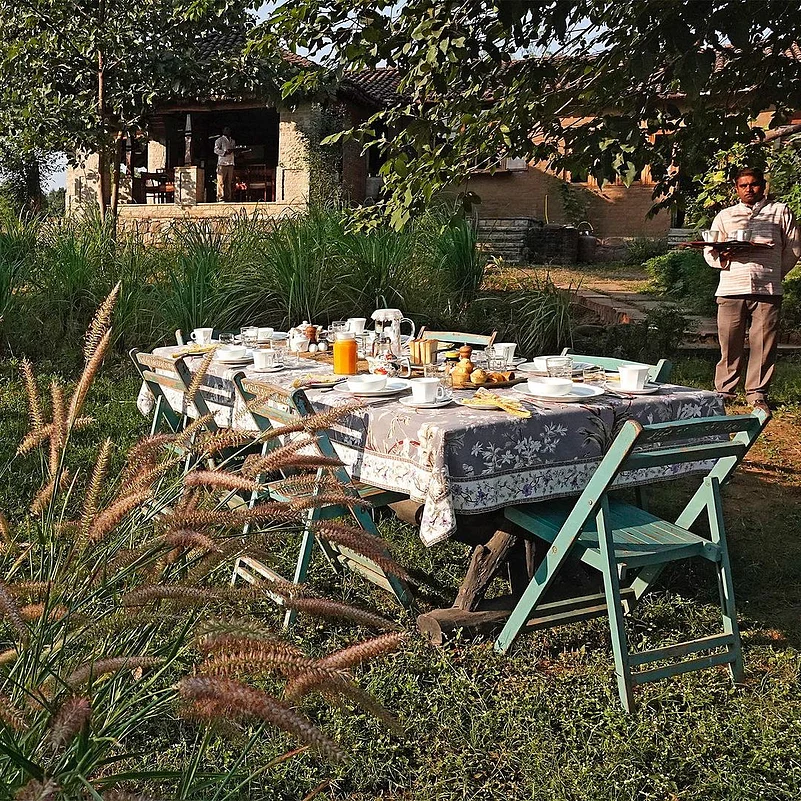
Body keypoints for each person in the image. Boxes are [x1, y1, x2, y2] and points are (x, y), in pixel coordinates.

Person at [703, 166, 801, 415]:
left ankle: (757, 394)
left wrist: (775, 273)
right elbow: (710, 250)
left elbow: (793, 248)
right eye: (743, 185)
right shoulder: (726, 215)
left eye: (754, 184)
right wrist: (723, 257)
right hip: (731, 287)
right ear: (736, 189)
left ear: (763, 185)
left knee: (764, 344)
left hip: (768, 289)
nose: (749, 189)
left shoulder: (780, 211)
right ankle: (724, 391)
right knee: (729, 342)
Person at [214, 126, 236, 201]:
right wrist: (224, 152)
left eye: (228, 130)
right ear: (223, 131)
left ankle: (228, 197)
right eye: (226, 129)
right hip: (222, 163)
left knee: (229, 182)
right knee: (221, 181)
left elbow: (234, 151)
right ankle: (220, 197)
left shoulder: (232, 141)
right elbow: (216, 150)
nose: (227, 131)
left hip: (230, 163)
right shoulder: (219, 140)